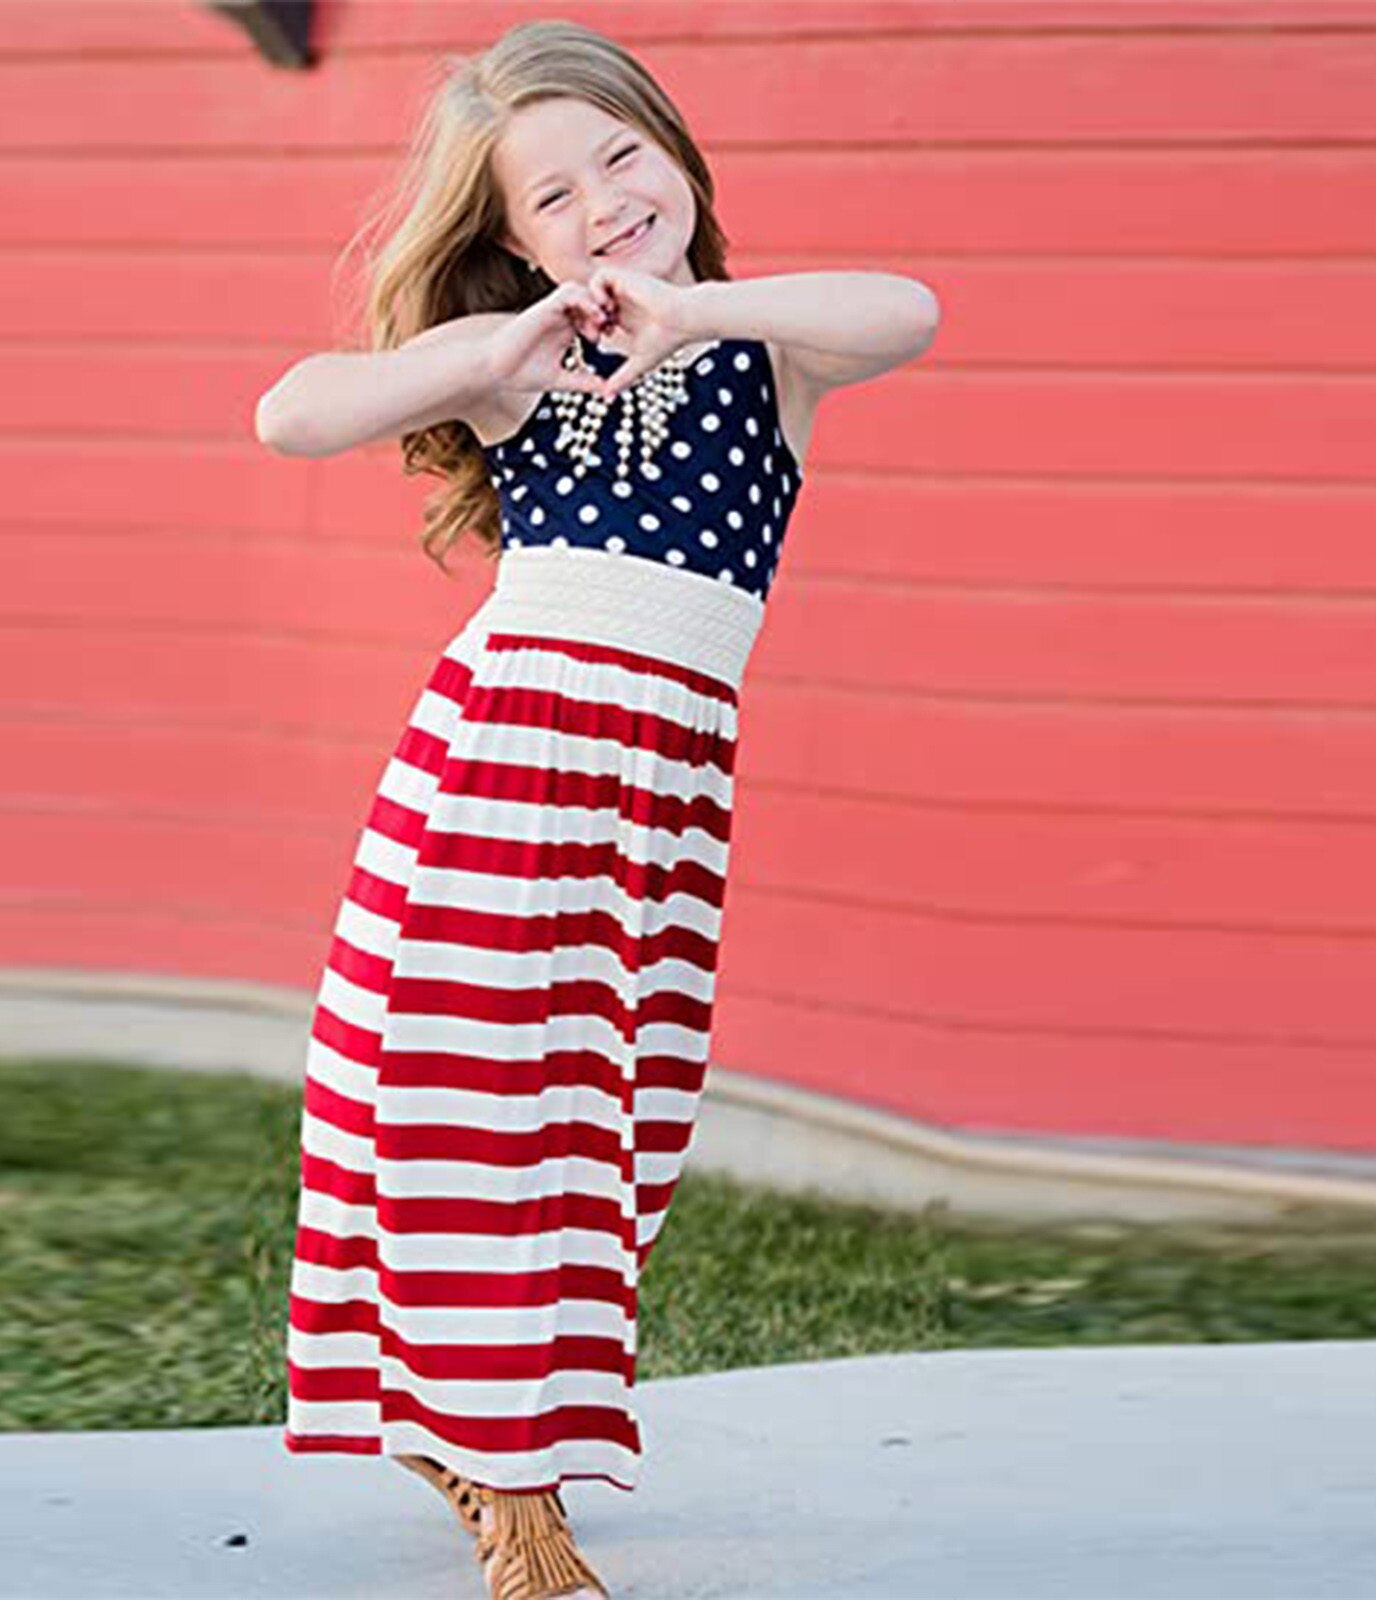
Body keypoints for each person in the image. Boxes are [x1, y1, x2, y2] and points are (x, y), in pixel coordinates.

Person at [253, 19, 937, 1599]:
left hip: (653, 803)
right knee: (473, 1109)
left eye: (623, 156)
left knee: (606, 1128)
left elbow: (907, 309)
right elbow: (294, 412)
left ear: (677, 159)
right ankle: (512, 1485)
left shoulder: (771, 355)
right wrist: (490, 353)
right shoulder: (523, 376)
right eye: (553, 195)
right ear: (508, 239)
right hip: (496, 771)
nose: (605, 204)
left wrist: (692, 306)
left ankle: (479, 1420)